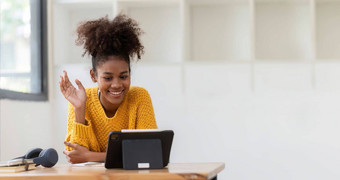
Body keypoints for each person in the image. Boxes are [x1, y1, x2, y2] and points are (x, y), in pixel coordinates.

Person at [59, 14, 158, 164]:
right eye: (108, 78)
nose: (117, 84)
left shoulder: (139, 97)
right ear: (94, 76)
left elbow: (148, 152)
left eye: (123, 76)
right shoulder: (81, 100)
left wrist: (91, 156)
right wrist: (79, 109)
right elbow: (74, 156)